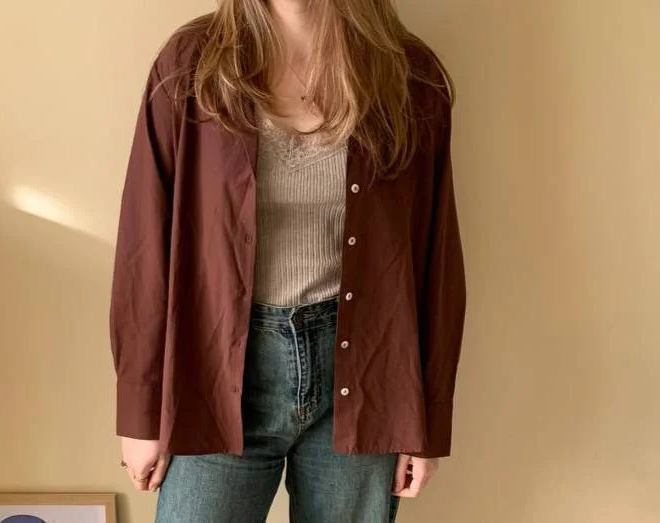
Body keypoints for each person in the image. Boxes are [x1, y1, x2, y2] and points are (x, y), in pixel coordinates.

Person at [109, 0, 466, 521]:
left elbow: (436, 258)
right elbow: (145, 241)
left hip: (366, 378)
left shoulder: (408, 75)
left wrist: (426, 419)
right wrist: (141, 413)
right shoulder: (193, 65)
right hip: (213, 374)